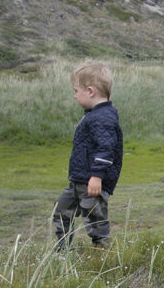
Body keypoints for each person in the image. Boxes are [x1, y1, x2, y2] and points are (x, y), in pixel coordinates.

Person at [53, 62, 123, 249]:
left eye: (76, 91)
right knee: (61, 211)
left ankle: (101, 252)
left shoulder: (104, 117)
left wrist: (97, 176)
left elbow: (106, 148)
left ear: (90, 91)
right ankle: (62, 249)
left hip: (92, 182)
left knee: (95, 219)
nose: (75, 96)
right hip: (78, 179)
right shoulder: (94, 115)